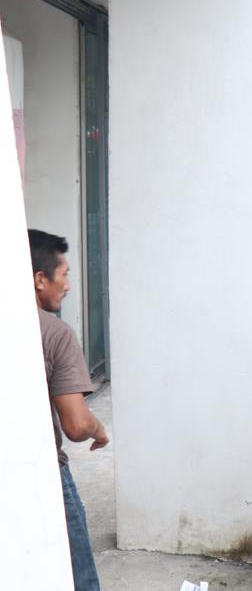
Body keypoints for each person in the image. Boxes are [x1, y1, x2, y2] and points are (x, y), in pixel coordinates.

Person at [29, 229, 107, 591]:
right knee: (78, 576)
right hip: (41, 470)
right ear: (40, 280)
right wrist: (98, 428)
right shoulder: (54, 333)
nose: (70, 285)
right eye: (65, 274)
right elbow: (76, 425)